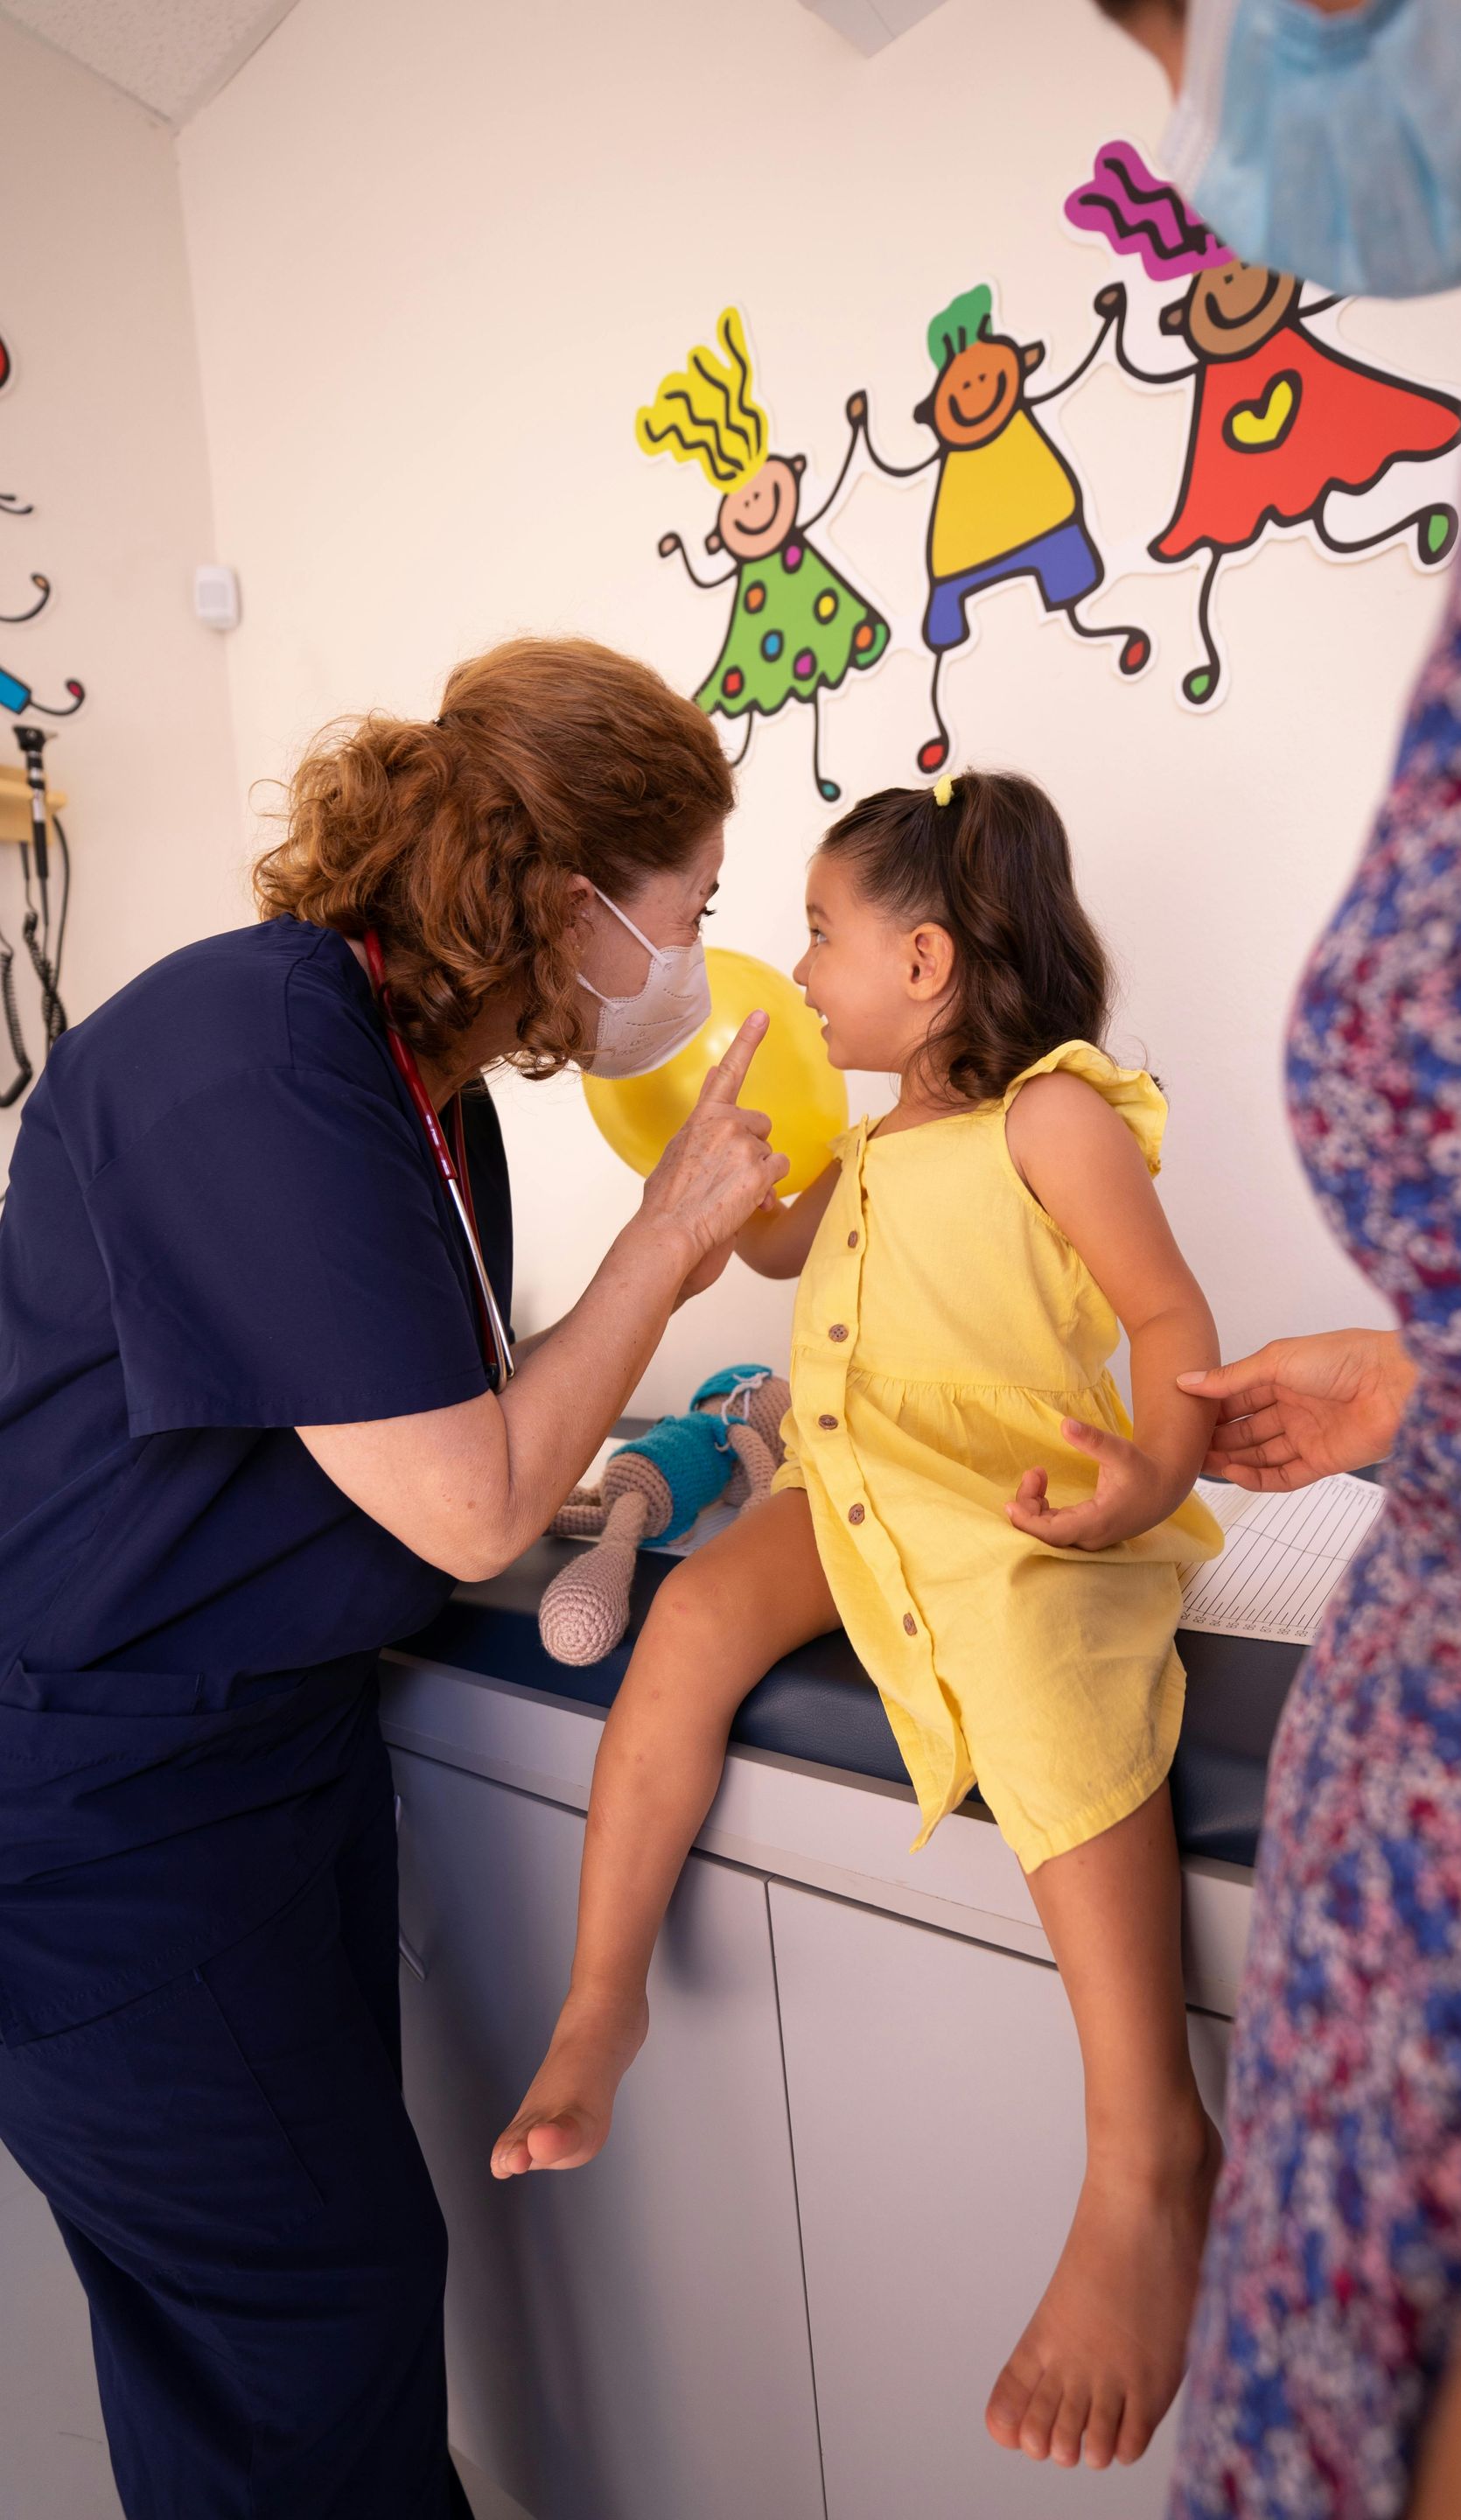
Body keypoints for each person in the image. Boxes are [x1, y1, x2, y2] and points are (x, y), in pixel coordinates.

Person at [1089, 2, 1461, 2514]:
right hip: (1432, 1925)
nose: (1180, 76)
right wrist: (1454, 1387)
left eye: (1167, 7)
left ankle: (1137, 2151)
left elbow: (1145, 1339)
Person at [0, 635, 786, 2518]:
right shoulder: (256, 1054)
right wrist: (669, 1235)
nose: (706, 950)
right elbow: (469, 1502)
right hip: (109, 1813)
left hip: (265, 1769)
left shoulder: (419, 1092)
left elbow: (432, 1419)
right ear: (577, 902)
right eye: (700, 905)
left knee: (267, 2345)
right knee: (312, 2327)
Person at [493, 768, 1229, 2474]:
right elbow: (771, 1257)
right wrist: (702, 1163)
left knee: (1054, 1687)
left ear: (930, 963)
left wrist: (1149, 1470)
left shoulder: (1053, 1117)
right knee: (679, 1633)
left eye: (820, 936)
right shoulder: (874, 1139)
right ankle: (605, 1997)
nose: (793, 966)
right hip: (848, 1501)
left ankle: (1146, 2150)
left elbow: (1171, 1309)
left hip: (1023, 1508)